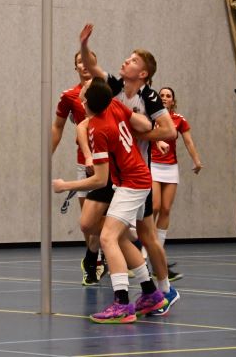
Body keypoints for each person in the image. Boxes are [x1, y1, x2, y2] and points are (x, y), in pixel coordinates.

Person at [78, 23, 180, 315]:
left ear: (144, 73)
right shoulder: (115, 86)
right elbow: (91, 66)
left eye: (133, 60)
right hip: (112, 172)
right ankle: (138, 277)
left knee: (146, 236)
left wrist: (139, 136)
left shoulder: (148, 98)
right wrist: (84, 45)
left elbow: (169, 132)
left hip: (135, 174)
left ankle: (162, 290)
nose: (126, 61)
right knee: (89, 224)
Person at [53, 79, 168, 323]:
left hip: (131, 183)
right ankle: (150, 293)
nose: (80, 96)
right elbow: (138, 122)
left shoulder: (99, 129)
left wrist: (66, 186)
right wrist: (149, 129)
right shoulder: (114, 107)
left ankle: (122, 303)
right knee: (117, 236)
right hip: (135, 178)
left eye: (83, 94)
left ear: (87, 103)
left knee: (106, 237)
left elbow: (99, 179)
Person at [51, 49, 106, 285]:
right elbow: (59, 127)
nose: (83, 65)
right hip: (86, 163)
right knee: (88, 220)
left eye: (87, 61)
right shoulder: (69, 96)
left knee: (110, 217)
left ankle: (99, 257)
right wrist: (47, 155)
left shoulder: (107, 90)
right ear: (75, 67)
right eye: (79, 63)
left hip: (110, 162)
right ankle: (94, 260)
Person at [151, 86, 203, 282]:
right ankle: (146, 252)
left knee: (165, 209)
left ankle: (159, 251)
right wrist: (157, 143)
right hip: (153, 165)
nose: (164, 98)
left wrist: (197, 161)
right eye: (161, 95)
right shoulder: (152, 117)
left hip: (170, 168)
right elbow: (147, 135)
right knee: (154, 206)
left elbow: (188, 142)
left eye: (168, 96)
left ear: (173, 101)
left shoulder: (179, 119)